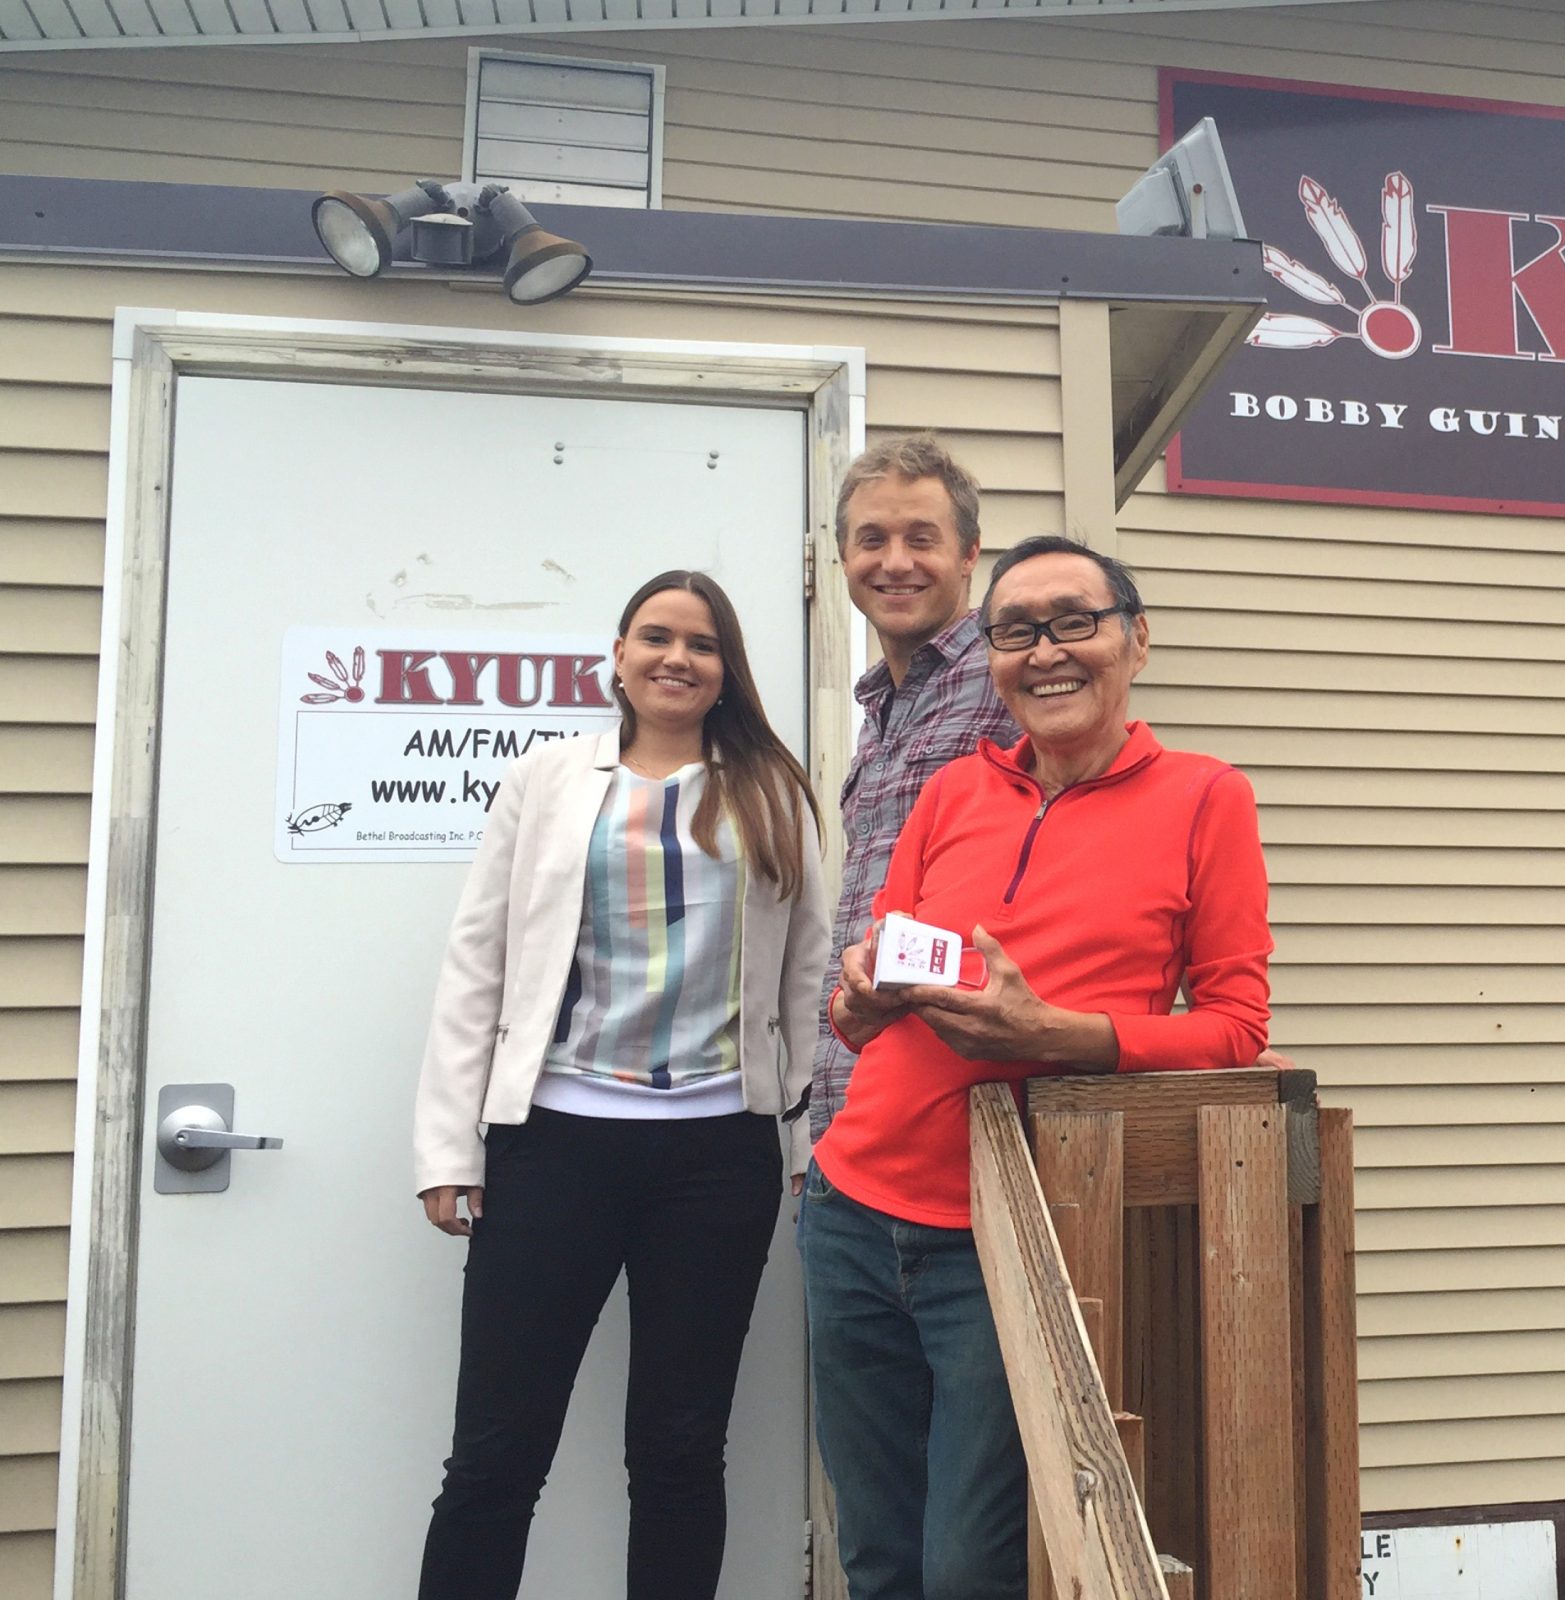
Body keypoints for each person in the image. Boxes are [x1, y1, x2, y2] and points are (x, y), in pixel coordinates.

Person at [802, 536, 1272, 1600]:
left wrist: (1060, 1036)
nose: (1045, 651)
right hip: (849, 1207)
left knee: (971, 1567)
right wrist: (859, 997)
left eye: (1074, 621)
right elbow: (867, 1004)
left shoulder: (1207, 797)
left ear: (1135, 640)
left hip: (1010, 1227)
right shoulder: (954, 793)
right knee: (875, 1556)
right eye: (1015, 630)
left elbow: (1238, 1025)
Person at [412, 569, 827, 1600]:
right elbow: (479, 965)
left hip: (716, 1156)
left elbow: (811, 972)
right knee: (496, 1454)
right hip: (554, 1144)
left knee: (682, 1450)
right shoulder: (548, 777)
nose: (675, 657)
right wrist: (448, 1148)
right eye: (655, 635)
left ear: (727, 669)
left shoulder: (771, 789)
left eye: (701, 642)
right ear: (619, 653)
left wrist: (809, 1141)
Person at [812, 433, 1019, 1142]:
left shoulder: (1012, 676)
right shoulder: (877, 714)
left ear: (969, 556)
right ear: (844, 557)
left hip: (969, 1120)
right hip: (852, 1117)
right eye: (871, 539)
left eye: (921, 539)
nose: (894, 561)